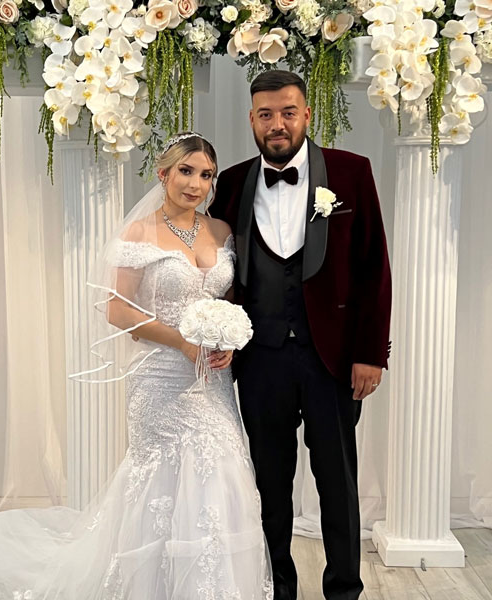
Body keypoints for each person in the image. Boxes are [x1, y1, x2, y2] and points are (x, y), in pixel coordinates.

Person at [0, 133, 273, 599]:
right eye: (186, 172)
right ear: (163, 173)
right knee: (165, 477)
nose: (196, 184)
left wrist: (225, 341)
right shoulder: (140, 233)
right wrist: (182, 343)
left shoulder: (221, 232)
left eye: (206, 175)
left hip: (213, 381)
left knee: (223, 470)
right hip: (162, 379)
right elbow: (118, 310)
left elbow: (226, 301)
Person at [210, 71, 392, 600]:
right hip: (260, 359)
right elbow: (218, 269)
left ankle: (343, 590)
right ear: (252, 119)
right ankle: (278, 588)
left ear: (307, 114)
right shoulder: (234, 183)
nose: (277, 123)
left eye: (288, 112)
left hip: (332, 359)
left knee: (338, 483)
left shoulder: (352, 173)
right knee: (269, 485)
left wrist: (370, 353)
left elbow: (373, 267)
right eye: (265, 114)